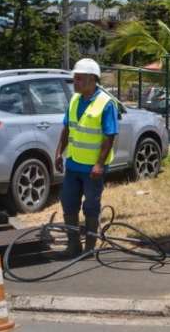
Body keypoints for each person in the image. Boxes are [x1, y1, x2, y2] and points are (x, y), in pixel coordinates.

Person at [54, 58, 118, 257]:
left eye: (80, 79)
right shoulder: (74, 100)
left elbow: (109, 136)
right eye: (75, 79)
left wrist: (99, 164)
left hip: (92, 169)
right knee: (68, 203)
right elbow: (67, 128)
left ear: (92, 79)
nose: (76, 82)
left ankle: (89, 249)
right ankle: (73, 246)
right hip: (73, 164)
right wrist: (58, 153)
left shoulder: (106, 104)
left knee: (91, 206)